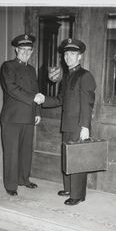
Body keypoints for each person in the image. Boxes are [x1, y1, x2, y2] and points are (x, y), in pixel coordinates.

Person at [39, 38, 96, 205]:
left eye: (73, 54)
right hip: (67, 125)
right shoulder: (67, 77)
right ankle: (69, 188)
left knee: (78, 159)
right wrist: (44, 99)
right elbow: (60, 99)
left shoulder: (85, 76)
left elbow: (88, 102)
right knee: (68, 157)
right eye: (66, 54)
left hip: (79, 125)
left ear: (80, 56)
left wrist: (85, 126)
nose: (68, 57)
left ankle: (78, 195)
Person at [0, 34, 45, 196]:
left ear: (32, 52)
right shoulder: (8, 66)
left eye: (29, 50)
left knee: (26, 151)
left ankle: (24, 179)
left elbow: (36, 90)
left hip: (29, 116)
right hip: (12, 117)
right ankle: (11, 185)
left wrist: (37, 111)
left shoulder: (32, 70)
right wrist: (33, 98)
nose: (25, 52)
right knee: (11, 152)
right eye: (22, 49)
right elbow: (11, 88)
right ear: (16, 50)